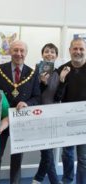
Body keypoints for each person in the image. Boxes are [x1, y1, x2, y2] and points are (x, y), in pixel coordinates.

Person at [0, 40, 41, 184]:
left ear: (26, 53)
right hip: (0, 119)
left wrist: (27, 103)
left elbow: (37, 96)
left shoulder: (32, 72)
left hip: (20, 120)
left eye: (22, 51)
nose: (18, 54)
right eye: (15, 50)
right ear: (9, 52)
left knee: (17, 156)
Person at [55, 37, 86, 184]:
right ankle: (67, 181)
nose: (78, 52)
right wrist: (61, 80)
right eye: (75, 48)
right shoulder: (62, 69)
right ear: (69, 50)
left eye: (81, 49)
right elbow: (56, 97)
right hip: (66, 120)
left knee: (83, 158)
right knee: (67, 155)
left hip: (85, 121)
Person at [32, 43, 60, 184]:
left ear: (56, 56)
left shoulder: (58, 73)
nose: (49, 54)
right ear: (42, 54)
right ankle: (40, 179)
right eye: (47, 51)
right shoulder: (34, 72)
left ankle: (41, 179)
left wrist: (62, 80)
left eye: (53, 52)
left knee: (48, 154)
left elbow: (58, 97)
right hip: (38, 116)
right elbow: (34, 95)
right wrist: (42, 83)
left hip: (53, 117)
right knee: (47, 154)